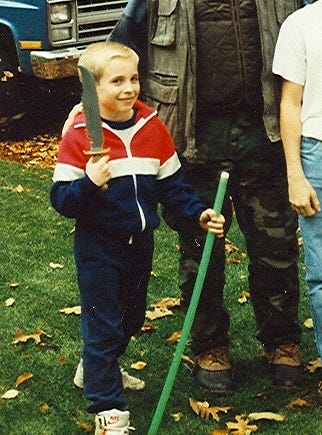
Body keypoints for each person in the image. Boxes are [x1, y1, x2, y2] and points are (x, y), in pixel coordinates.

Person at [64, 0, 306, 394]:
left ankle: (282, 343)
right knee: (200, 246)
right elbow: (110, 57)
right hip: (193, 139)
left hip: (265, 135)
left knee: (275, 244)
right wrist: (86, 111)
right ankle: (211, 347)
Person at [50, 41, 225, 434]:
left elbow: (173, 186)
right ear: (92, 92)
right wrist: (90, 184)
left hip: (139, 245)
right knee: (104, 324)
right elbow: (61, 198)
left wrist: (198, 213)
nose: (130, 88)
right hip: (98, 247)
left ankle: (97, 367)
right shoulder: (80, 136)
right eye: (117, 81)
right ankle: (109, 411)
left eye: (134, 78)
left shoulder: (152, 128)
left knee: (130, 319)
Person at [272, 0, 322, 401]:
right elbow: (290, 103)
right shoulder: (300, 24)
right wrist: (295, 173)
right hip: (316, 153)